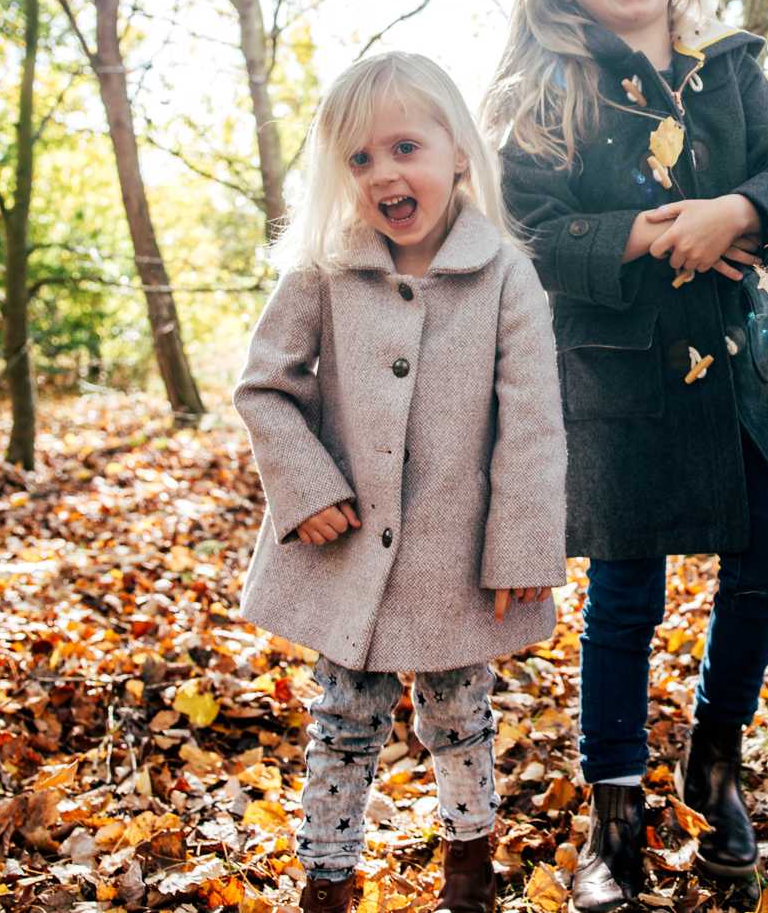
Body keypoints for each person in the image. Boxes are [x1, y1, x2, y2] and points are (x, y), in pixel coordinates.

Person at [482, 0, 768, 909]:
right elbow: (528, 236)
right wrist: (635, 233)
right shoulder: (545, 93)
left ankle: (713, 757)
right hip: (621, 380)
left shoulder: (726, 67)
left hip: (745, 371)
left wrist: (740, 212)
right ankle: (614, 813)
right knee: (623, 597)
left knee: (766, 555)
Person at [235, 52, 567, 913]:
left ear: (458, 152)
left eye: (405, 147)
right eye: (359, 158)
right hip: (348, 555)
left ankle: (469, 867)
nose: (385, 173)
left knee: (460, 718)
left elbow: (531, 426)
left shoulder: (506, 275)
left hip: (454, 563)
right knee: (342, 723)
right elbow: (265, 385)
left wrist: (523, 545)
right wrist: (304, 486)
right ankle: (328, 880)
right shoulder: (323, 269)